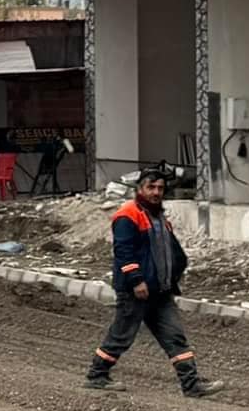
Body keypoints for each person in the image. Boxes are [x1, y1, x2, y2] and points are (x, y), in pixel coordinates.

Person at [86, 169, 224, 397]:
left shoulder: (158, 218)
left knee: (175, 336)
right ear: (140, 189)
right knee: (122, 335)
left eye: (160, 188)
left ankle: (191, 385)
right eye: (151, 187)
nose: (156, 192)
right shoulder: (127, 216)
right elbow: (123, 252)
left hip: (160, 292)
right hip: (136, 292)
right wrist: (136, 281)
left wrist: (173, 277)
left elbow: (171, 252)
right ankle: (96, 375)